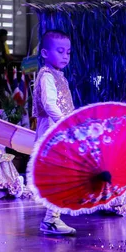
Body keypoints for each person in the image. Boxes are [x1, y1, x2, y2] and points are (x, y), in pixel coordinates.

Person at [32, 30, 76, 235]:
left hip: (59, 133)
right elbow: (49, 104)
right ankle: (51, 219)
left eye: (68, 52)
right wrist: (63, 123)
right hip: (52, 132)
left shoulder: (59, 76)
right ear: (44, 53)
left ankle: (52, 218)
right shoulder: (47, 75)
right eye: (60, 51)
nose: (65, 56)